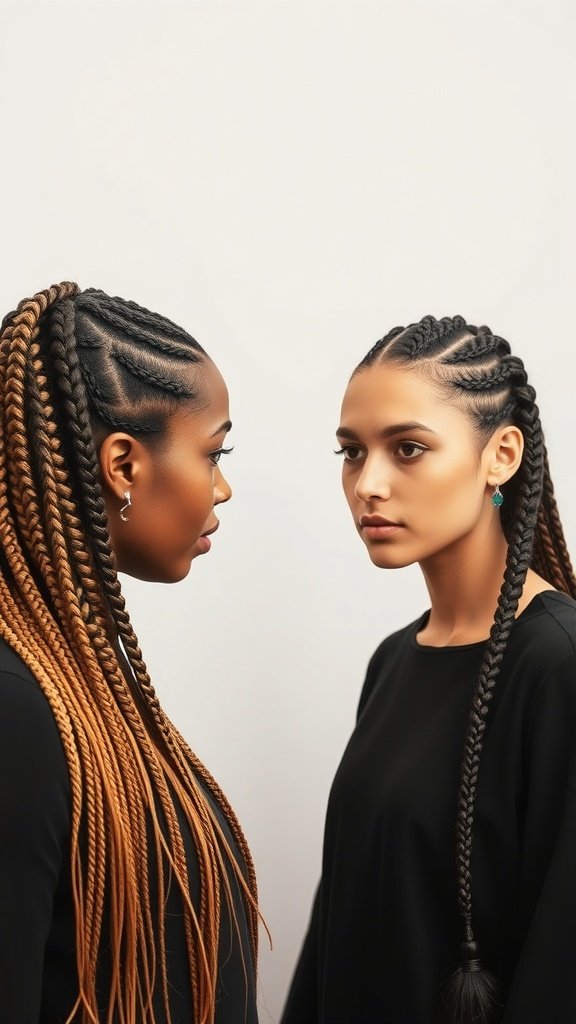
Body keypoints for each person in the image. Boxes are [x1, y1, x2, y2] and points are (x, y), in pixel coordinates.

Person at [281, 315, 576, 1024]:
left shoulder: (557, 665)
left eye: (407, 449)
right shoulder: (394, 661)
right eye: (352, 453)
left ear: (501, 455)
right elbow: (341, 916)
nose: (368, 485)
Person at [0, 282, 259, 1023]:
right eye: (214, 452)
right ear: (122, 465)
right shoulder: (18, 707)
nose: (224, 486)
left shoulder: (70, 673)